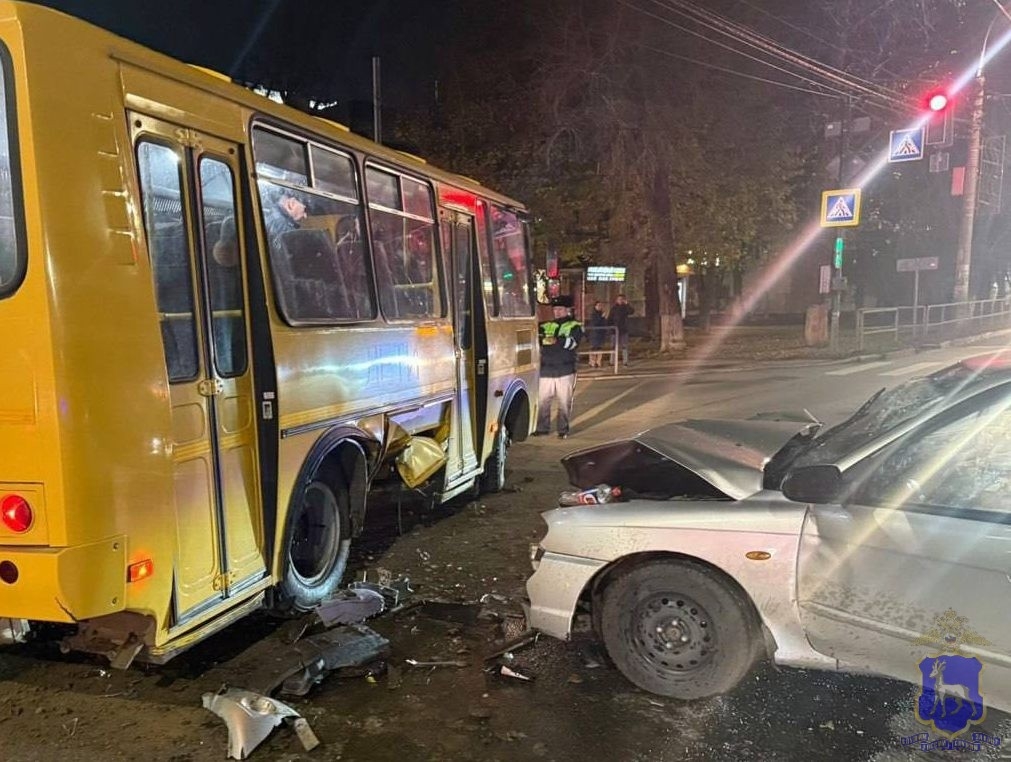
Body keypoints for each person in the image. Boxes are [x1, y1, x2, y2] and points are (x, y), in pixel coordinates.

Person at [535, 295, 583, 439]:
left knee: (564, 402)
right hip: (546, 370)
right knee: (543, 402)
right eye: (555, 309)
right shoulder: (546, 325)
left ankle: (563, 430)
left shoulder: (575, 326)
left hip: (565, 370)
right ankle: (542, 429)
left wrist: (555, 340)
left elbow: (572, 344)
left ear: (568, 310)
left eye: (560, 309)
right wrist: (551, 341)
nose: (557, 312)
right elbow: (538, 339)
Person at [608, 293, 634, 367]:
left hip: (623, 330)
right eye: (619, 299)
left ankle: (625, 362)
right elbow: (610, 318)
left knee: (624, 346)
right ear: (617, 300)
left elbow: (631, 311)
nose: (620, 301)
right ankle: (612, 361)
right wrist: (611, 327)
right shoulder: (614, 308)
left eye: (622, 299)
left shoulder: (625, 308)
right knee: (613, 346)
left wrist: (627, 304)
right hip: (615, 330)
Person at [588, 300, 608, 368]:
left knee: (600, 348)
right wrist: (601, 317)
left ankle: (598, 362)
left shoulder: (602, 313)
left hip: (601, 334)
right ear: (595, 306)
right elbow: (595, 323)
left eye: (601, 305)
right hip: (595, 334)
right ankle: (592, 362)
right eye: (598, 305)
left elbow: (604, 323)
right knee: (593, 348)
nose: (600, 307)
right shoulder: (593, 314)